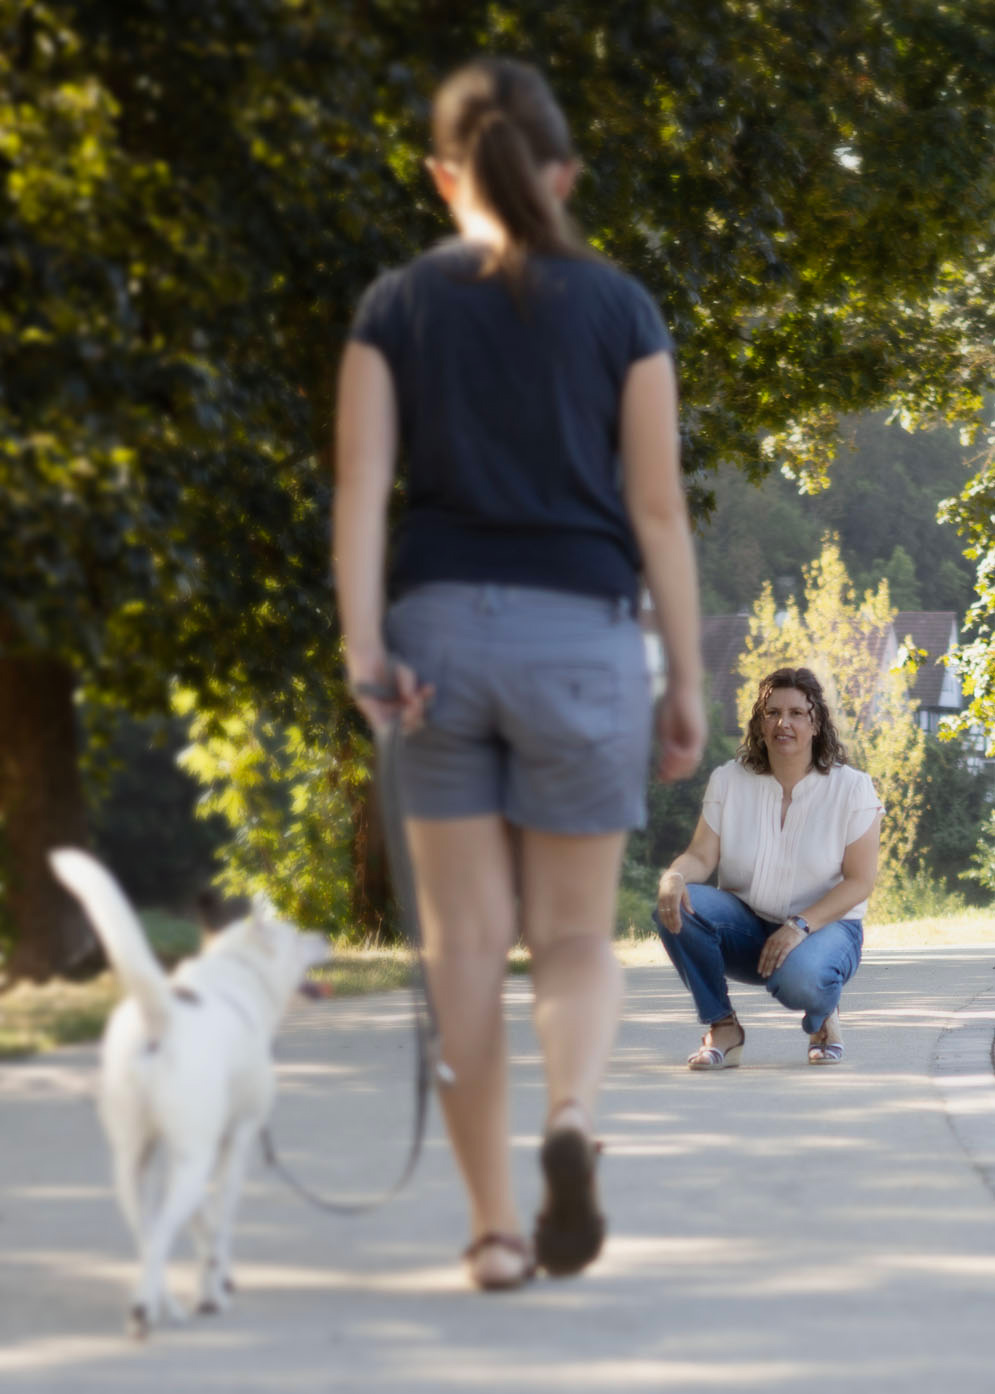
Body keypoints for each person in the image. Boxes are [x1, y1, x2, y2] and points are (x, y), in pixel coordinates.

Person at [333, 57, 706, 1291]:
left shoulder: (392, 307)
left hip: (438, 638)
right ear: (562, 173)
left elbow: (358, 494)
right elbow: (657, 513)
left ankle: (495, 1231)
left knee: (464, 947)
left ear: (445, 176)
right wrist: (684, 681)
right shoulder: (621, 309)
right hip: (585, 640)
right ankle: (569, 1114)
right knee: (569, 937)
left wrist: (365, 650)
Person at [654, 667, 882, 1069]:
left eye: (797, 713)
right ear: (759, 724)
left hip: (825, 929)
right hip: (747, 925)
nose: (783, 723)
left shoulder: (852, 788)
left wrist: (799, 927)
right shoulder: (729, 780)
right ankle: (722, 1027)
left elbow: (860, 881)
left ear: (816, 723)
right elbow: (702, 857)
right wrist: (673, 876)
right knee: (675, 906)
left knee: (800, 980)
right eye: (772, 712)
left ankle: (823, 1014)